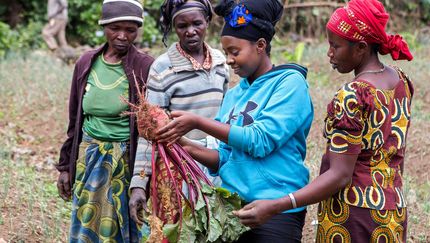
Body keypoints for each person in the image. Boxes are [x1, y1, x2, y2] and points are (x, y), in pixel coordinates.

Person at [232, 0, 414, 242]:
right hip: (392, 211)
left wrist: (278, 205)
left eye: (335, 46)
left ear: (360, 47)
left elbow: (339, 175)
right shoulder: (401, 81)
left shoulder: (353, 95)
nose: (329, 53)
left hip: (353, 215)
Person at [155, 0, 314, 242]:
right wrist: (184, 145)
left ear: (261, 45)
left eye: (234, 52)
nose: (228, 60)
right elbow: (225, 158)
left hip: (276, 209)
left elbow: (260, 140)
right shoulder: (234, 95)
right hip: (233, 209)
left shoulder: (289, 84)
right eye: (226, 52)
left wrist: (198, 122)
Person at [55, 0, 154, 241]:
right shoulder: (86, 63)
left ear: (138, 30)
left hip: (125, 161)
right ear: (104, 26)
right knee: (87, 220)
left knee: (125, 222)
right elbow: (74, 120)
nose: (122, 36)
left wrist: (143, 177)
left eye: (130, 30)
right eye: (115, 28)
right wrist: (66, 166)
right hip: (88, 157)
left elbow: (149, 127)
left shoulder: (145, 66)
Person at [128, 0, 230, 225]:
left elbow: (226, 118)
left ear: (208, 22)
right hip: (177, 165)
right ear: (173, 28)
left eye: (197, 23)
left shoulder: (222, 63)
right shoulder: (163, 68)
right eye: (182, 26)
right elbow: (150, 132)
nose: (191, 31)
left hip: (215, 163)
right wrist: (139, 183)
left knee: (215, 227)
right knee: (179, 228)